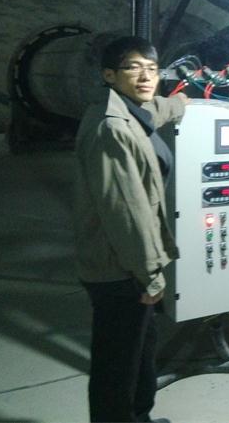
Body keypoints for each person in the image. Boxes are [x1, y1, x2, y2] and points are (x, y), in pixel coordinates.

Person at [74, 36, 187, 423]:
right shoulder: (112, 128)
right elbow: (127, 212)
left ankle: (140, 416)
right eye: (133, 68)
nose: (145, 76)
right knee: (117, 363)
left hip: (129, 263)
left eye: (152, 69)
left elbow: (157, 109)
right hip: (119, 268)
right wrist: (150, 274)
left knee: (140, 349)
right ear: (109, 75)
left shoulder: (131, 111)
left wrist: (181, 104)